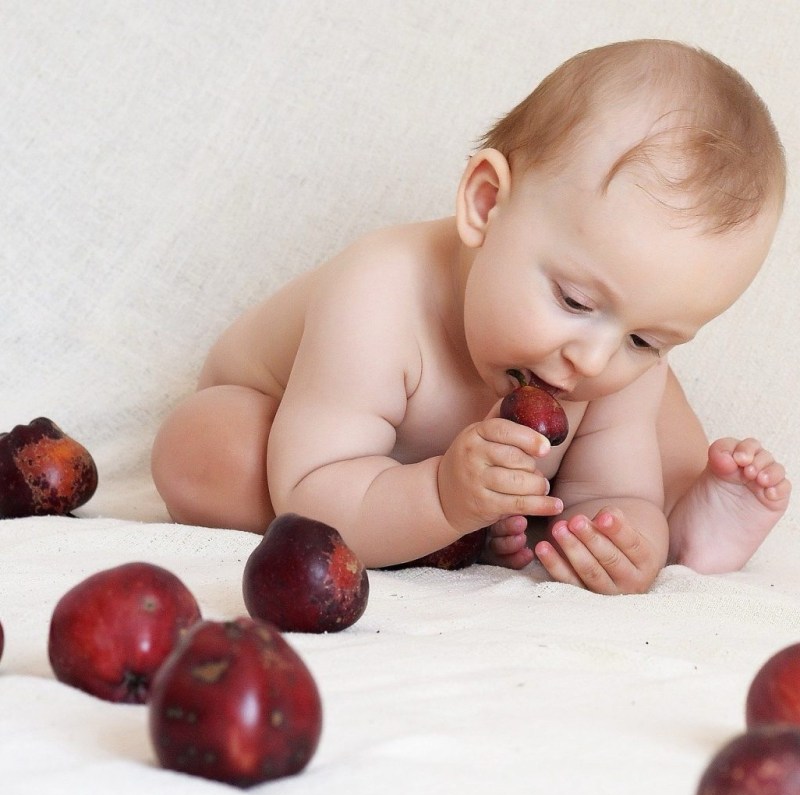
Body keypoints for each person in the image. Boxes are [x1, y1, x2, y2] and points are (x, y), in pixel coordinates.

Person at [151, 39, 791, 595]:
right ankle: (439, 524)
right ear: (486, 206)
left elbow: (613, 493)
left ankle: (689, 522)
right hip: (301, 440)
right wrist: (438, 498)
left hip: (470, 477)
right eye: (573, 301)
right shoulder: (379, 294)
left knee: (654, 408)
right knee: (208, 448)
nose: (592, 358)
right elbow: (310, 495)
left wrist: (623, 539)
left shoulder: (600, 352)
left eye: (647, 338)